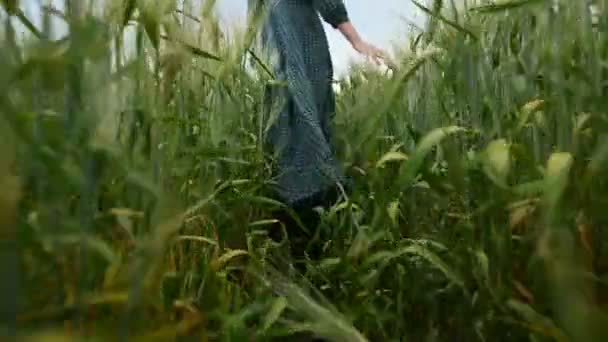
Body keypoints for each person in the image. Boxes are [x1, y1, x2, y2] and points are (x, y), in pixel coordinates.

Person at [248, 0, 385, 265]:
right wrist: (356, 39)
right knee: (304, 132)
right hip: (291, 44)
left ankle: (296, 249)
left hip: (280, 47)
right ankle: (312, 248)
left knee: (291, 136)